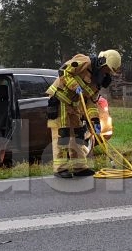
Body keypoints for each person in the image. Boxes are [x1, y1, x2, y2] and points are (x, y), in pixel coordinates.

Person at [45, 49, 122, 178]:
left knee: (78, 135)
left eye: (109, 71)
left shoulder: (97, 81)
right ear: (102, 62)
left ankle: (79, 167)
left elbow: (91, 102)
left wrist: (95, 120)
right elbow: (63, 71)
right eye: (107, 69)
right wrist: (75, 86)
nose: (106, 72)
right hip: (60, 100)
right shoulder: (84, 61)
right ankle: (60, 169)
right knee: (62, 135)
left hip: (74, 104)